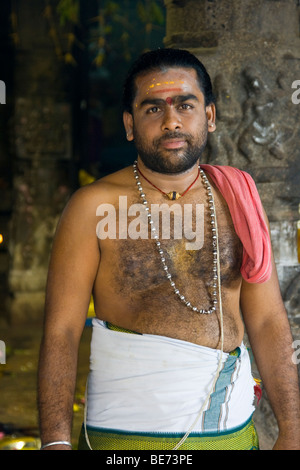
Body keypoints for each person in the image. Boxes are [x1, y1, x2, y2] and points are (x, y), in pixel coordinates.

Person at [38, 48, 300, 451]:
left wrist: (293, 429)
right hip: (123, 439)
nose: (172, 121)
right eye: (153, 108)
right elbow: (62, 330)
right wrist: (55, 443)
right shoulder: (91, 207)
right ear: (129, 124)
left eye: (185, 105)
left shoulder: (238, 199)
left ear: (209, 117)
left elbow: (266, 320)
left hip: (230, 432)